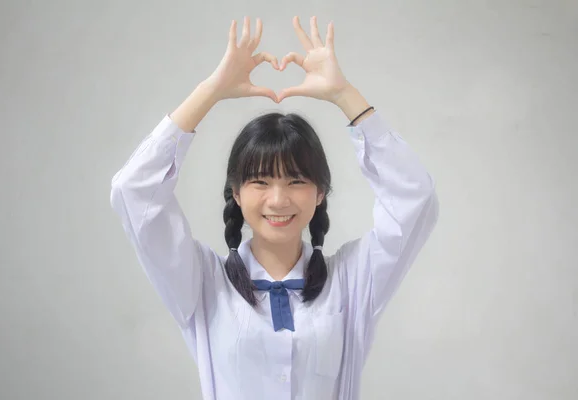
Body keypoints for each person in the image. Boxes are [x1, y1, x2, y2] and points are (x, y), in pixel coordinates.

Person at [110, 15, 439, 400]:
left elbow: (414, 198)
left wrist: (344, 95)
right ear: (235, 192)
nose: (278, 200)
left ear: (320, 192)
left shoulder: (351, 281)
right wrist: (211, 91)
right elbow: (134, 190)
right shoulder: (203, 283)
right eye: (260, 182)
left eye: (297, 180)